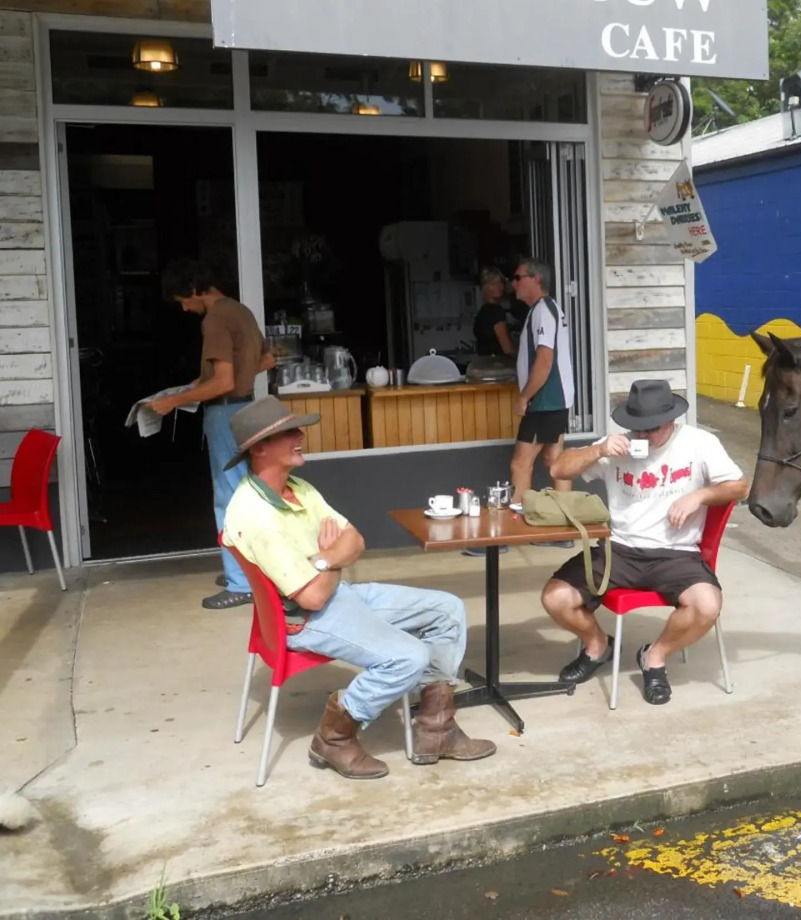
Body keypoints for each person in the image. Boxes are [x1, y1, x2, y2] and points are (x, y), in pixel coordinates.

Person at [221, 396, 495, 779]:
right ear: (260, 448)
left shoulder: (297, 488)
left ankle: (437, 730)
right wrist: (334, 556)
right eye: (289, 432)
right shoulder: (255, 514)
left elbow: (357, 540)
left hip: (334, 592)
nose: (301, 436)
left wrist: (324, 559)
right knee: (409, 656)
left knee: (447, 608)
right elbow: (313, 596)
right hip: (305, 617)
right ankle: (333, 738)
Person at [540, 379, 750, 705]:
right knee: (555, 598)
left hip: (676, 554)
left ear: (671, 421)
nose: (643, 437)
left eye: (651, 429)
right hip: (618, 550)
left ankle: (654, 657)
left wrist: (701, 495)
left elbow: (739, 487)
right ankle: (598, 646)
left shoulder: (699, 443)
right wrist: (598, 450)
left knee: (707, 606)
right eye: (636, 429)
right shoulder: (618, 446)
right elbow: (559, 468)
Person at [150, 260, 274, 610]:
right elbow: (266, 361)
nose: (183, 307)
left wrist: (174, 400)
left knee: (230, 499)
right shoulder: (241, 310)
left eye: (182, 300)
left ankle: (239, 582)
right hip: (248, 408)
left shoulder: (215, 319)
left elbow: (223, 382)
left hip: (225, 412)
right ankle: (252, 571)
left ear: (194, 289)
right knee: (250, 494)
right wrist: (199, 385)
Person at [510, 257, 574, 500]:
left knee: (520, 464)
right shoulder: (545, 309)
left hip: (545, 401)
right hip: (554, 400)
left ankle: (516, 527)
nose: (513, 284)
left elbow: (545, 360)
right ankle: (567, 523)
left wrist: (525, 396)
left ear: (535, 279)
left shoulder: (543, 311)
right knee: (555, 461)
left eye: (518, 278)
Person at [472, 266, 518, 359]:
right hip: (496, 366)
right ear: (485, 288)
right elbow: (508, 348)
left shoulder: (483, 311)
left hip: (486, 364)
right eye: (493, 283)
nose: (499, 286)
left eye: (500, 282)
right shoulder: (495, 311)